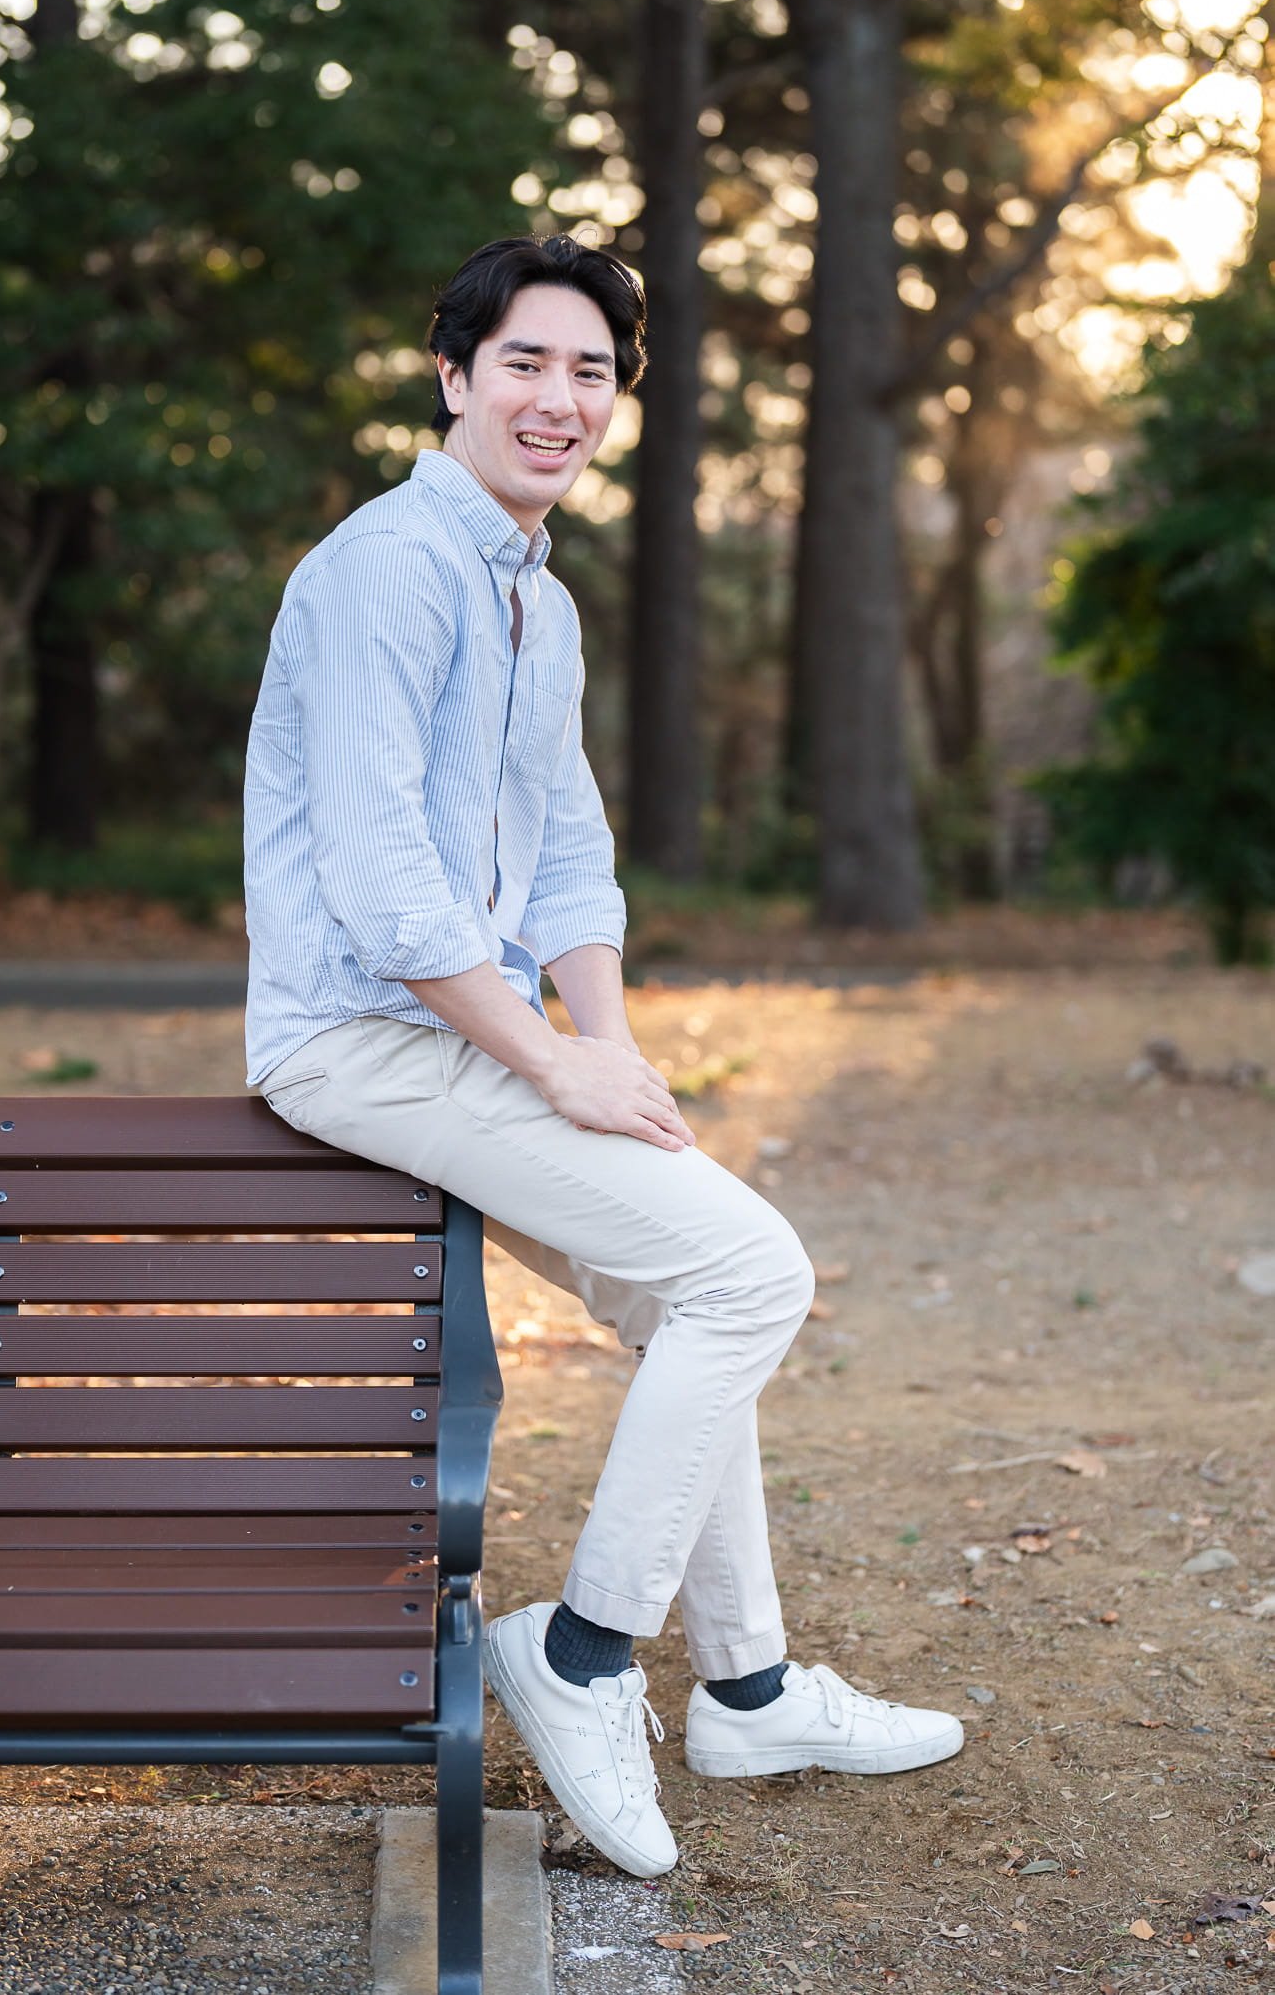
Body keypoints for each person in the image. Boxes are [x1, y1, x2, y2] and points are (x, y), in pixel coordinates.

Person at [244, 233, 962, 1878]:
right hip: (359, 1036)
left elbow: (567, 857)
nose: (559, 399)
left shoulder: (534, 599)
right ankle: (576, 1659)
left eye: (591, 372)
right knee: (750, 1273)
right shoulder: (386, 570)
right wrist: (550, 1064)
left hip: (468, 1026)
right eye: (526, 363)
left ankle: (753, 1688)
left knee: (690, 1269)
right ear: (454, 374)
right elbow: (379, 882)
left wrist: (613, 1050)